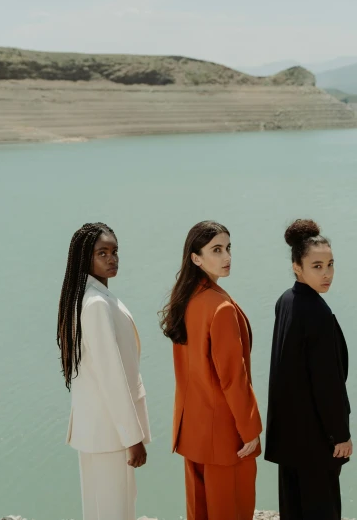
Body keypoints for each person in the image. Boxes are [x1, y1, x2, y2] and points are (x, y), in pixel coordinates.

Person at [159, 220, 263, 520]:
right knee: (231, 511)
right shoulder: (221, 308)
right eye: (216, 250)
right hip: (226, 437)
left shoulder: (185, 300)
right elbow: (233, 379)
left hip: (194, 432)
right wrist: (250, 431)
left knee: (200, 513)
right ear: (196, 257)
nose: (226, 256)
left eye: (228, 248)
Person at [56, 222, 151, 520]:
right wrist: (131, 437)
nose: (112, 259)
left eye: (114, 252)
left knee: (103, 509)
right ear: (86, 258)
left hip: (99, 430)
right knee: (114, 510)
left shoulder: (89, 297)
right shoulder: (96, 303)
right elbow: (112, 377)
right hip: (109, 433)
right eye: (102, 253)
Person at [264, 218, 353, 520]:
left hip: (290, 436)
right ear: (296, 267)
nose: (327, 273)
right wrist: (340, 434)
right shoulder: (317, 313)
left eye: (330, 264)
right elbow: (326, 382)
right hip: (316, 438)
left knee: (294, 509)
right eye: (317, 266)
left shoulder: (286, 301)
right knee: (321, 510)